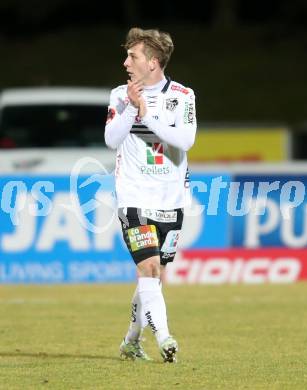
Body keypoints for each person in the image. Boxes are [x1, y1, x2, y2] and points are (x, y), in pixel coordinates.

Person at [104, 27, 197, 363]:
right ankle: (165, 338)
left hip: (170, 200)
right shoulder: (118, 94)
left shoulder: (183, 96)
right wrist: (131, 107)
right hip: (134, 197)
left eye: (134, 56)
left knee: (157, 276)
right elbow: (111, 140)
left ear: (153, 63)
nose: (126, 61)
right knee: (149, 269)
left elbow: (184, 141)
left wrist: (147, 112)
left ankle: (131, 341)